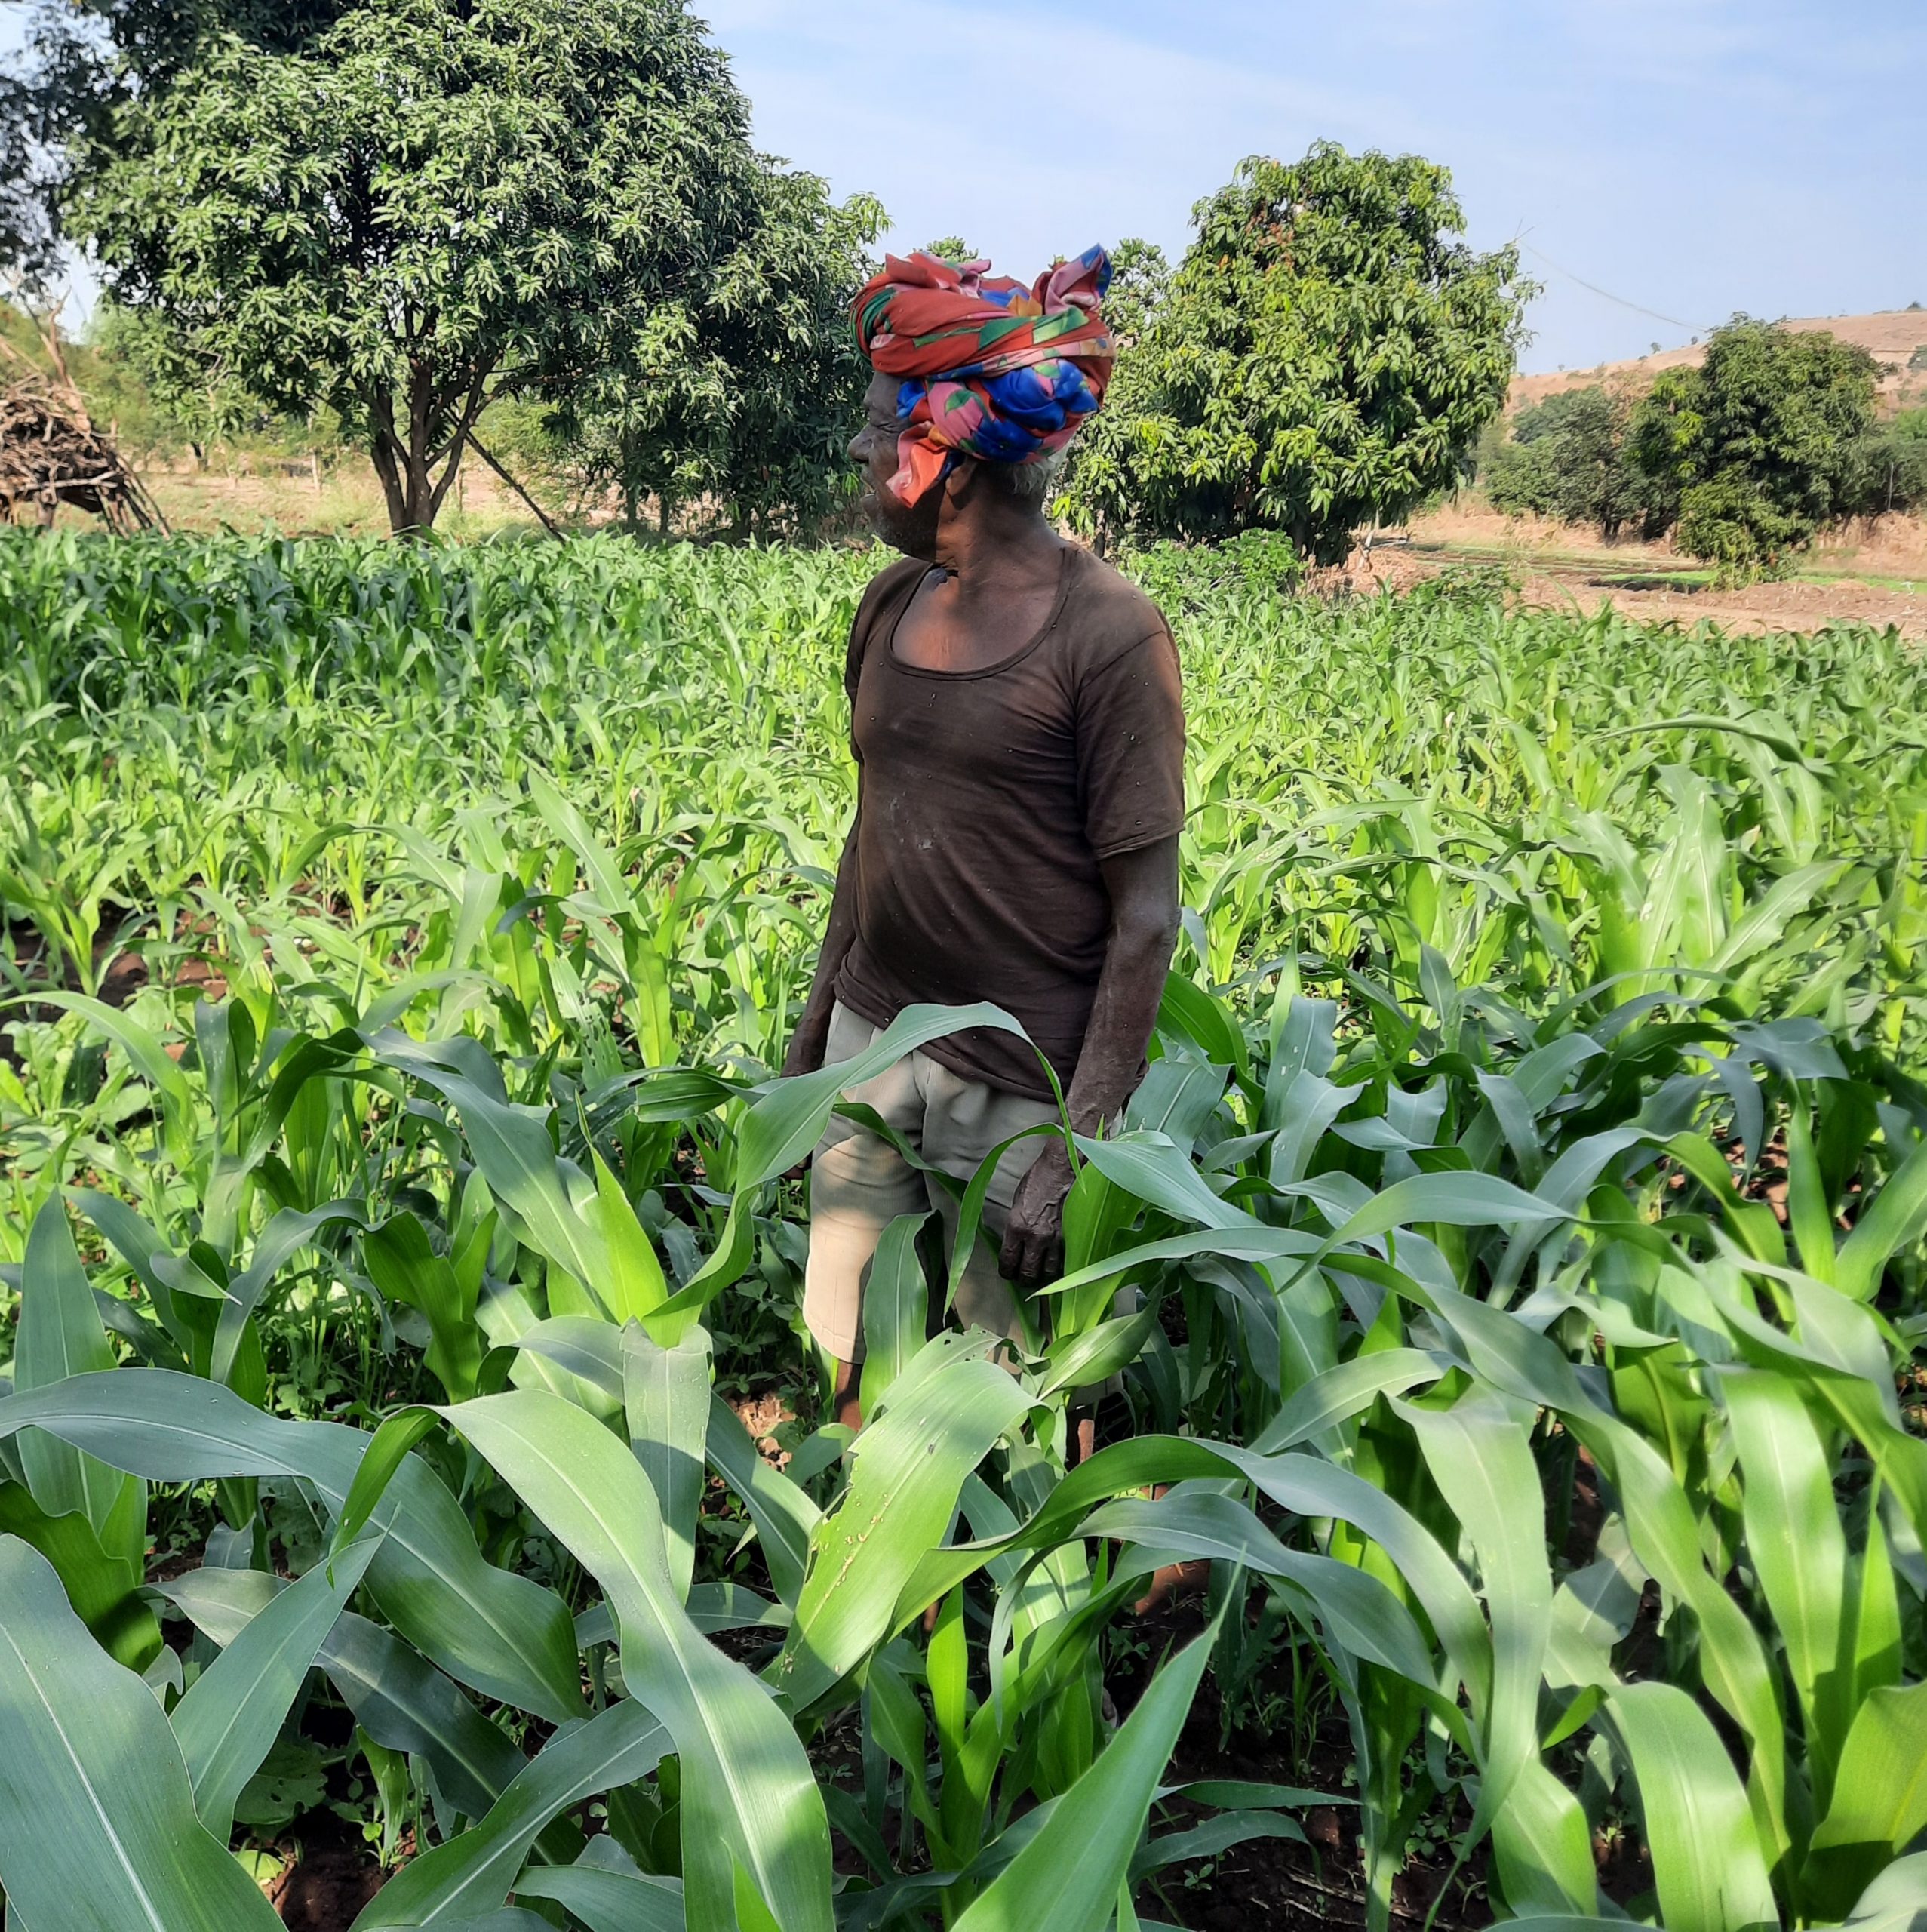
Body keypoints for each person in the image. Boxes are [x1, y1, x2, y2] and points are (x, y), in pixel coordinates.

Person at [783, 245, 1185, 1435]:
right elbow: (874, 828)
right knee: (839, 1340)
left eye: (873, 431)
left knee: (999, 1404)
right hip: (874, 1038)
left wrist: (1079, 1142)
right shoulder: (889, 605)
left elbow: (1145, 917)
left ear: (939, 460)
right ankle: (851, 1556)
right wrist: (819, 1025)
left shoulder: (1108, 638)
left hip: (1019, 1091)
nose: (858, 455)